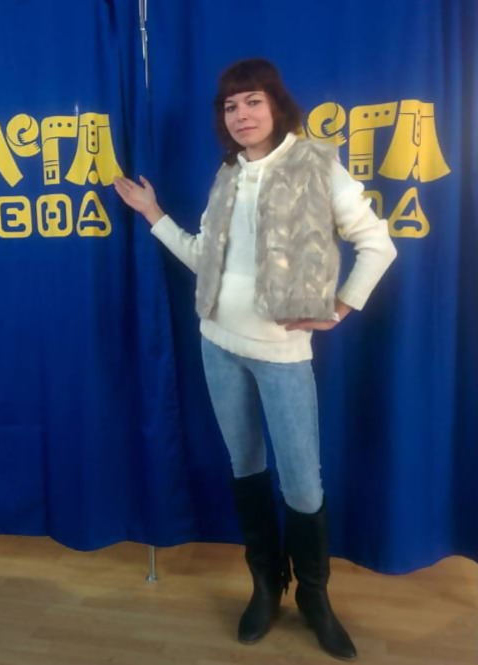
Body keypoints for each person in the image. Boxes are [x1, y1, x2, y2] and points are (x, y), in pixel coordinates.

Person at [114, 58, 397, 661]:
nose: (241, 115)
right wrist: (153, 214)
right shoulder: (228, 176)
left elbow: (378, 243)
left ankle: (314, 597)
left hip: (281, 354)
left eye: (252, 102)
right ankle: (266, 585)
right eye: (230, 106)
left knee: (302, 481)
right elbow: (204, 259)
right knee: (245, 467)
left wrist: (340, 308)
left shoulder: (316, 164)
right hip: (217, 344)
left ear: (276, 105)